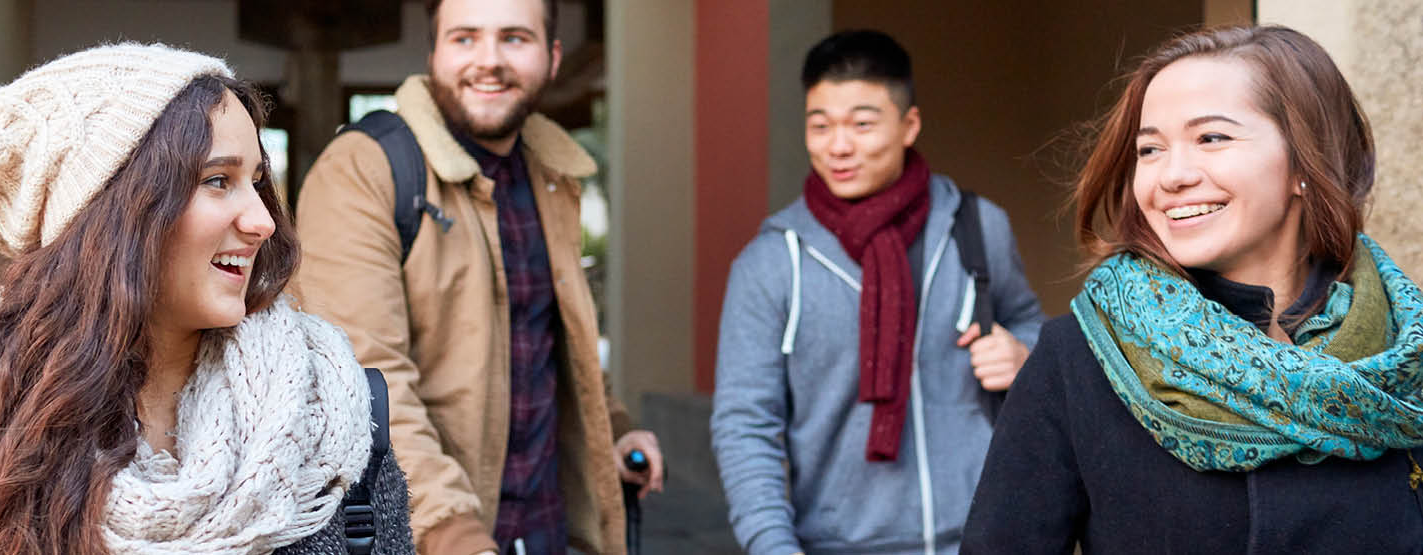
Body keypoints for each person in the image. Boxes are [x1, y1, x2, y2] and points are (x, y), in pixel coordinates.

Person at [0, 43, 414, 554]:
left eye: (257, 181)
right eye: (219, 180)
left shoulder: (331, 411)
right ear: (115, 214)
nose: (263, 221)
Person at [963, 25, 1423, 553]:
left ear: (1305, 161)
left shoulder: (1405, 357)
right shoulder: (1078, 359)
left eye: (1212, 138)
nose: (1171, 176)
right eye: (1150, 149)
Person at [292, 0, 663, 553]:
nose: (488, 60)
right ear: (434, 51)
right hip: (431, 534)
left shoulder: (552, 175)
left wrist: (615, 426)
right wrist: (452, 531)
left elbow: (551, 340)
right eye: (465, 38)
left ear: (553, 56)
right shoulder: (362, 170)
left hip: (548, 527)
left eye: (514, 38)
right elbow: (366, 379)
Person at [710, 30, 1045, 555]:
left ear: (909, 125)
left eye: (862, 124)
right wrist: (772, 546)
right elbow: (745, 423)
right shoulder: (773, 263)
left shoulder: (978, 228)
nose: (838, 146)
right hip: (836, 545)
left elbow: (1027, 319)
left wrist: (1024, 353)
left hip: (985, 537)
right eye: (820, 126)